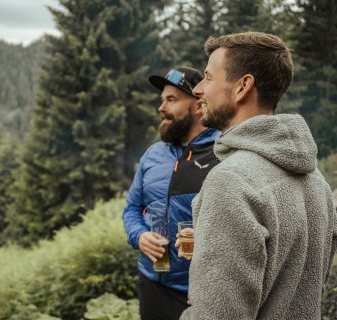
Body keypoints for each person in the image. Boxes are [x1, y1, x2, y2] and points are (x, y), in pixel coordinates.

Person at [178, 32, 337, 319]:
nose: (199, 89)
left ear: (242, 87)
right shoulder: (317, 183)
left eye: (209, 78)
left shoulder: (231, 181)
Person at [122, 66, 220, 320]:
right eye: (162, 100)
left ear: (199, 106)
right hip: (151, 282)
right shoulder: (153, 154)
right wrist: (139, 235)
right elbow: (132, 208)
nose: (161, 108)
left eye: (172, 100)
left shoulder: (223, 153)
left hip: (197, 292)